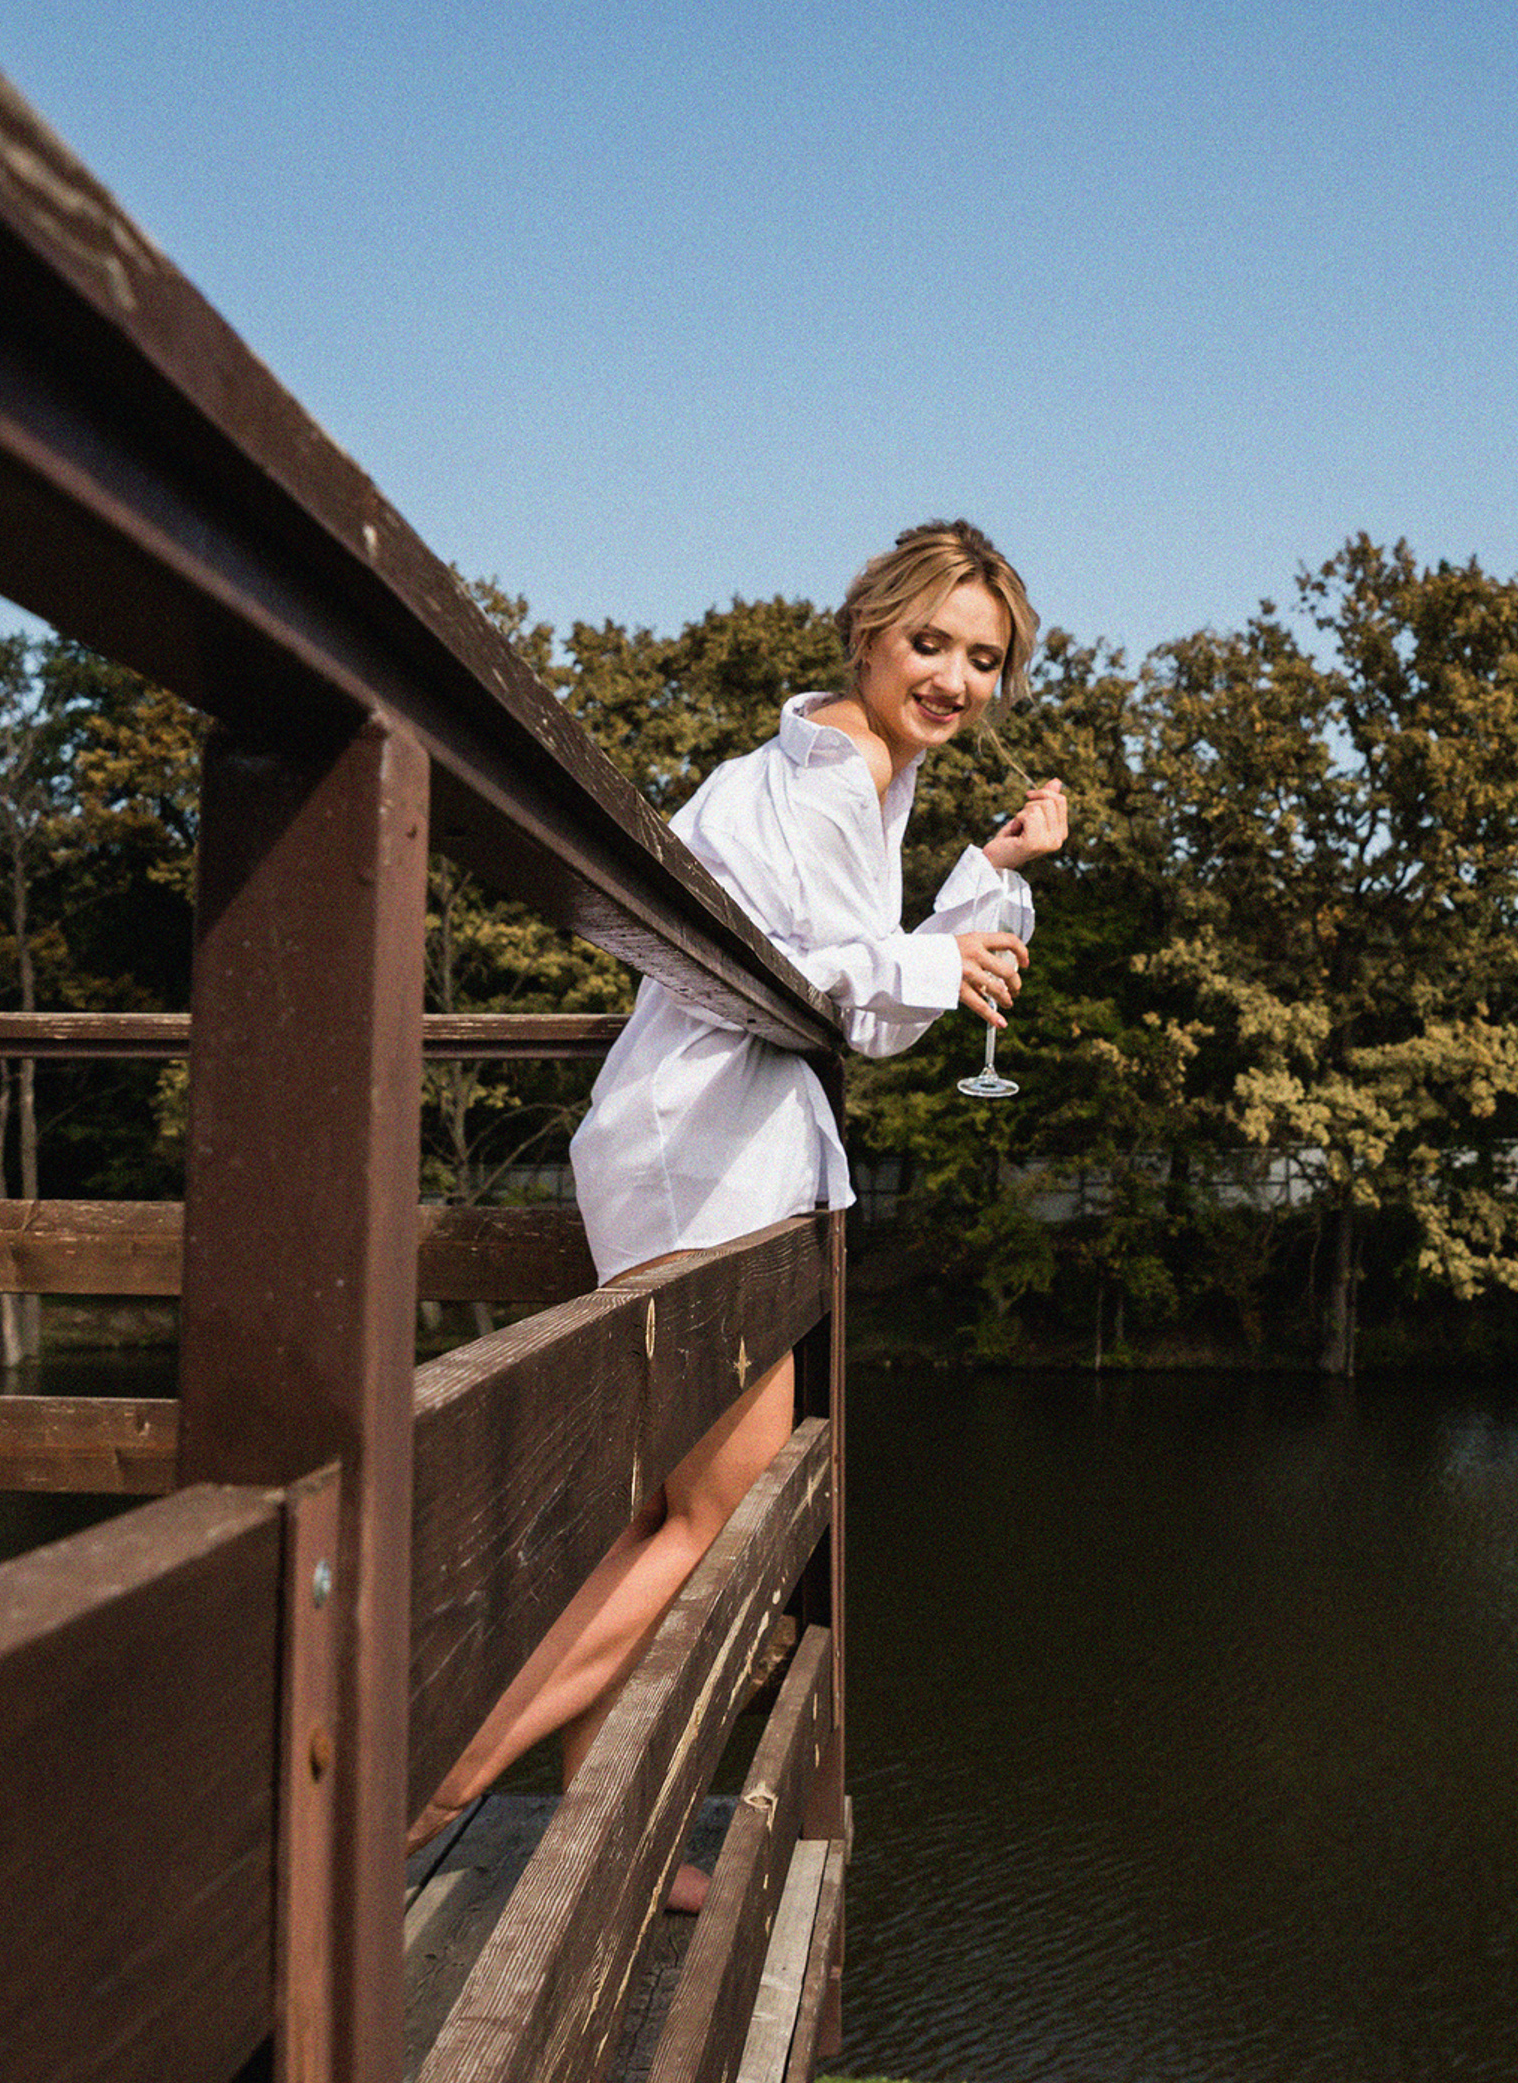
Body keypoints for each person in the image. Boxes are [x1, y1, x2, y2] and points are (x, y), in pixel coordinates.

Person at [406, 519, 1069, 1874]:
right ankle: (433, 1790)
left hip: (703, 1147)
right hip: (701, 1153)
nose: (953, 677)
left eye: (983, 659)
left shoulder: (852, 774)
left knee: (661, 1521)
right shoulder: (826, 778)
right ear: (869, 632)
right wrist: (945, 963)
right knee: (709, 1515)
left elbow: (857, 1003)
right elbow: (838, 988)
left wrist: (986, 882)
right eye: (930, 642)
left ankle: (609, 1843)